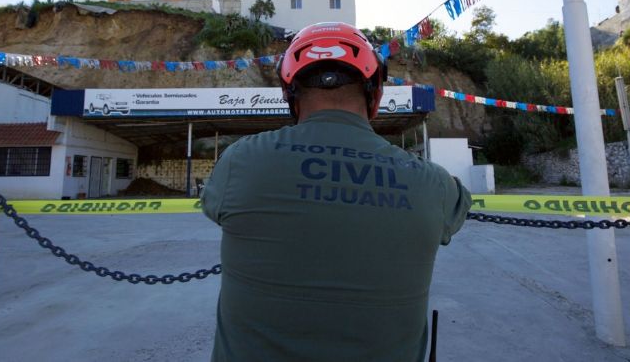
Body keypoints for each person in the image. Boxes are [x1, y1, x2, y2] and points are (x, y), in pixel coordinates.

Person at [201, 22, 472, 361]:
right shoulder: (432, 183)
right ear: (375, 92)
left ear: (289, 93)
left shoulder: (241, 161)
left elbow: (214, 205)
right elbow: (460, 202)